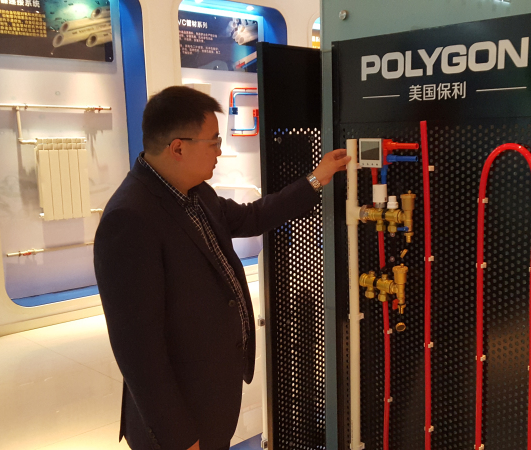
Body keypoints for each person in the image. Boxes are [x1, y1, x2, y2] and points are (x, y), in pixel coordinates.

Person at [94, 86, 349, 450]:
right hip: (179, 421)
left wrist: (316, 178)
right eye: (213, 141)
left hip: (211, 400)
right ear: (178, 148)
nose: (219, 150)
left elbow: (252, 217)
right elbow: (138, 352)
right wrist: (180, 438)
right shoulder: (130, 219)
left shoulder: (195, 193)